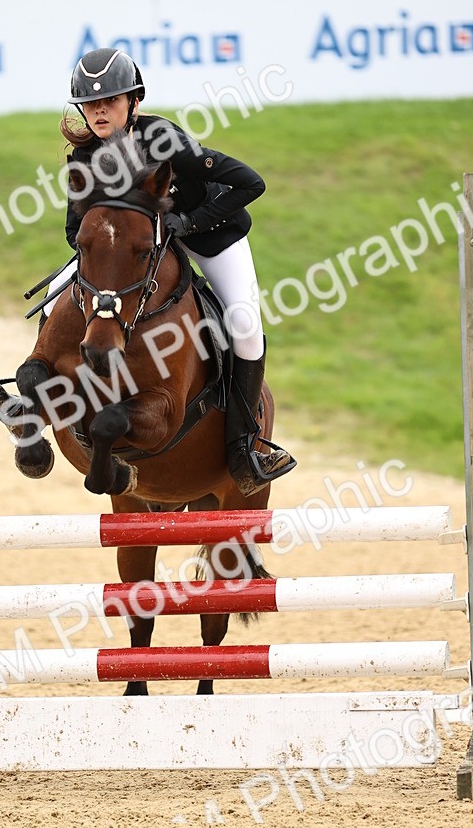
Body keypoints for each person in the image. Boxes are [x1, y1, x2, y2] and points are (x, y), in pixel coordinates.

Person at [41, 47, 295, 495]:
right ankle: (35, 392)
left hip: (210, 232)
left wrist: (185, 223)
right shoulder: (84, 159)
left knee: (243, 322)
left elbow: (250, 183)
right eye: (91, 105)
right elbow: (72, 231)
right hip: (138, 251)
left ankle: (245, 445)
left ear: (133, 102)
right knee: (54, 302)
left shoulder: (163, 140)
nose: (99, 112)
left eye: (111, 101)